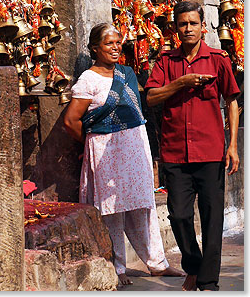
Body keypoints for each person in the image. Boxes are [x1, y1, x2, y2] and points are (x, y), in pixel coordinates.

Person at [64, 23, 184, 286]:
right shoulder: (88, 79)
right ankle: (117, 266)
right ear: (95, 48)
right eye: (109, 43)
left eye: (118, 42)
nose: (116, 48)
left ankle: (157, 264)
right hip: (107, 151)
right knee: (112, 210)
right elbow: (71, 120)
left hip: (135, 146)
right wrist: (91, 143)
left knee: (144, 205)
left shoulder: (127, 73)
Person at [145, 1, 240, 292]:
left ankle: (208, 283)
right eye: (182, 24)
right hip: (174, 153)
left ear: (203, 27)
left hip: (211, 152)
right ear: (176, 28)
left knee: (212, 219)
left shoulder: (218, 59)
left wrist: (232, 145)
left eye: (193, 23)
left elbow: (232, 101)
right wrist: (181, 83)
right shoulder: (165, 62)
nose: (188, 29)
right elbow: (150, 97)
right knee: (179, 215)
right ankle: (194, 266)